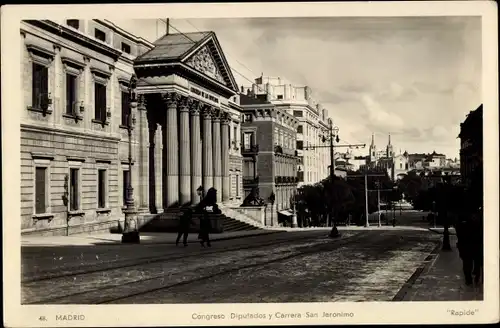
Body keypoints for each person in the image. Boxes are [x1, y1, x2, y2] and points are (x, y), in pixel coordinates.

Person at [456, 207, 483, 286]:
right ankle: (473, 279)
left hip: (468, 245)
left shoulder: (462, 222)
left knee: (469, 263)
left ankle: (470, 279)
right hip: (473, 245)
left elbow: (459, 232)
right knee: (472, 263)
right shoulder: (477, 221)